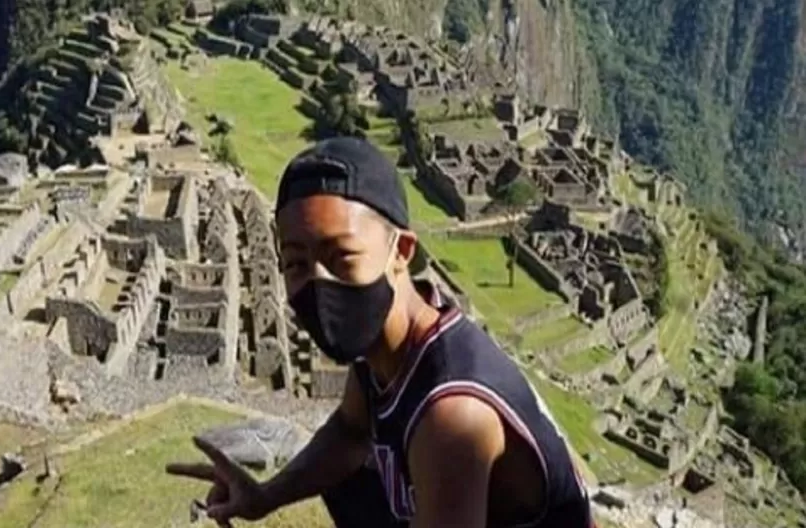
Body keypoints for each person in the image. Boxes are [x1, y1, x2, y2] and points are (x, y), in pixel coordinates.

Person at [166, 137, 595, 528]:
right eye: (296, 263)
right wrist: (266, 495)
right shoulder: (384, 342)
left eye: (341, 257)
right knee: (351, 481)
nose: (319, 283)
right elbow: (351, 432)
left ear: (401, 252)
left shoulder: (451, 418)